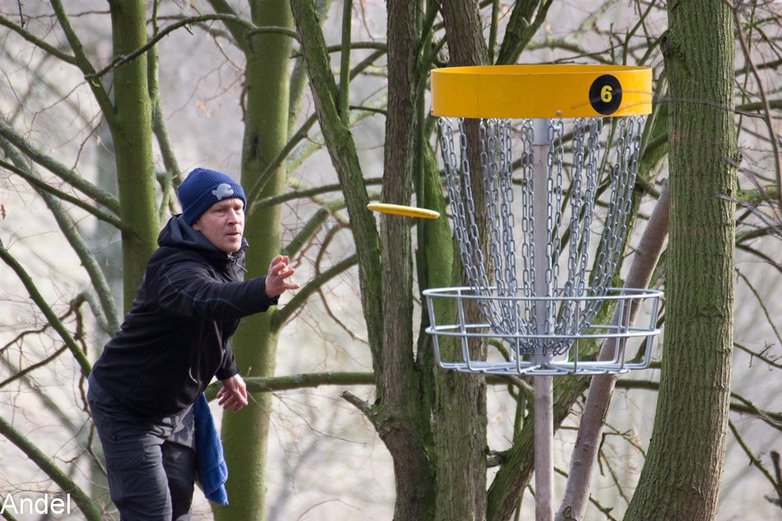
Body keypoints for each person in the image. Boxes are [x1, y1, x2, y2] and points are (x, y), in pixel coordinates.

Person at [87, 167, 299, 520]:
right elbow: (207, 299)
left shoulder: (228, 258)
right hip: (128, 409)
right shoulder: (174, 268)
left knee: (178, 512)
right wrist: (263, 290)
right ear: (196, 222)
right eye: (220, 210)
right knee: (152, 513)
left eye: (237, 208)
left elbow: (211, 325)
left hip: (177, 410)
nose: (233, 219)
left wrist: (228, 370)